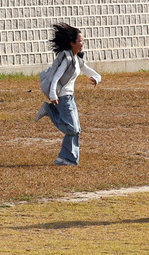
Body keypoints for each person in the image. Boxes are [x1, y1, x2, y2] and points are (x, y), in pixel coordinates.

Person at [36, 22, 101, 166]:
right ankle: (49, 110)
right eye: (80, 41)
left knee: (76, 130)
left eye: (83, 40)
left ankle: (66, 159)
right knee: (72, 128)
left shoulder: (78, 60)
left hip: (70, 98)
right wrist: (53, 95)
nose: (83, 43)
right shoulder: (67, 59)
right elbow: (55, 79)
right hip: (63, 97)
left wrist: (97, 78)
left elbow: (93, 72)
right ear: (72, 43)